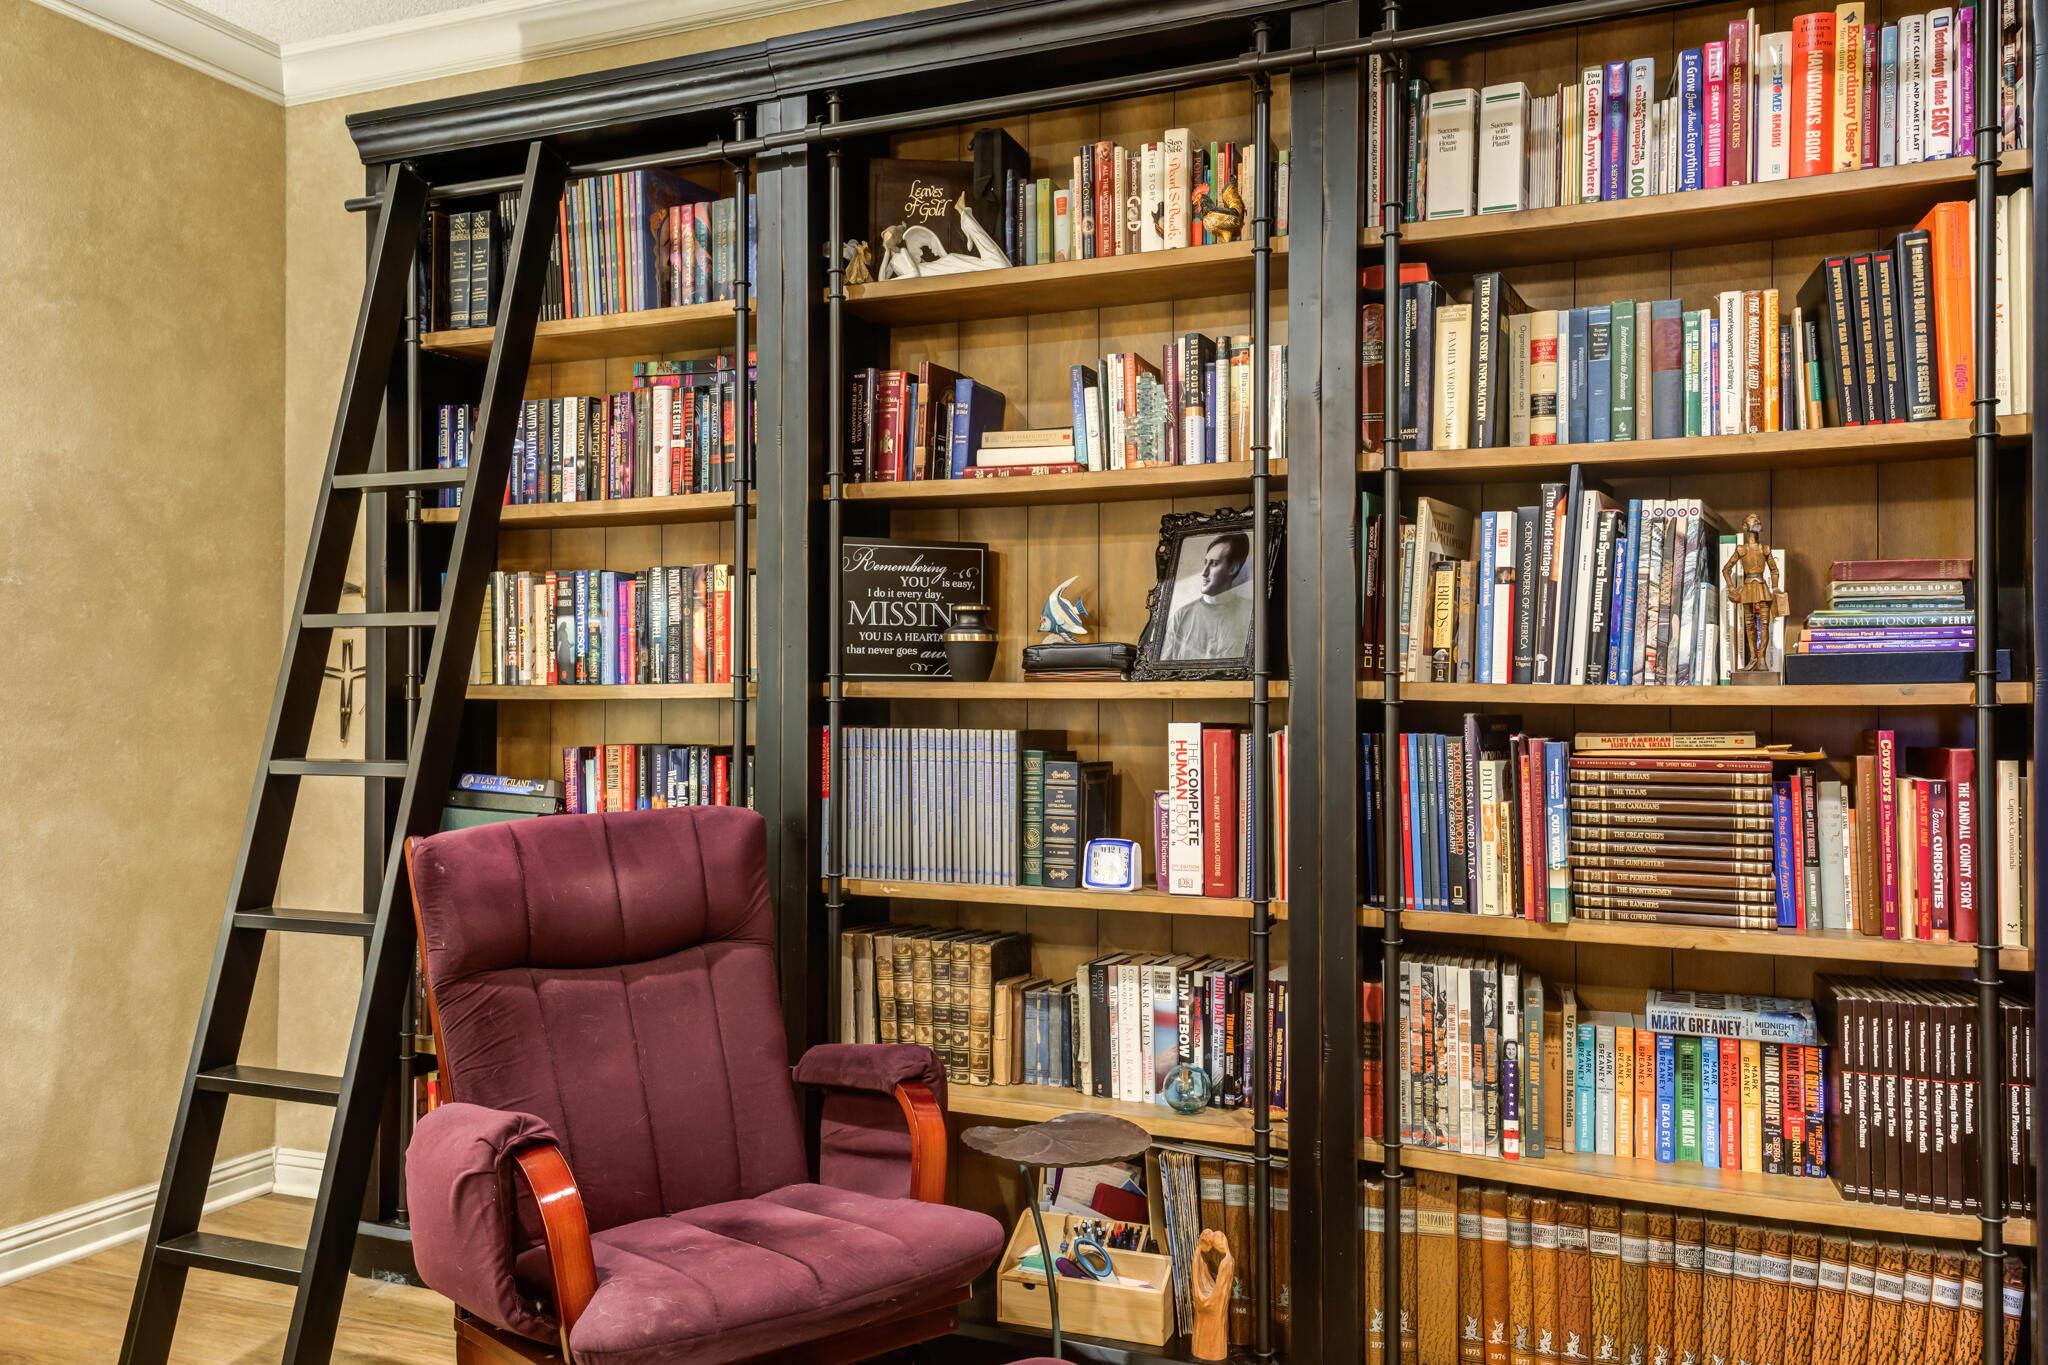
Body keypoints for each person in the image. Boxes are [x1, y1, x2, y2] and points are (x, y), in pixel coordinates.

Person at [1162, 531, 1253, 660]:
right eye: (1205, 562)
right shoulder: (1181, 616)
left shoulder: (1250, 614)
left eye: (1214, 564)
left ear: (1233, 568)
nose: (1204, 572)